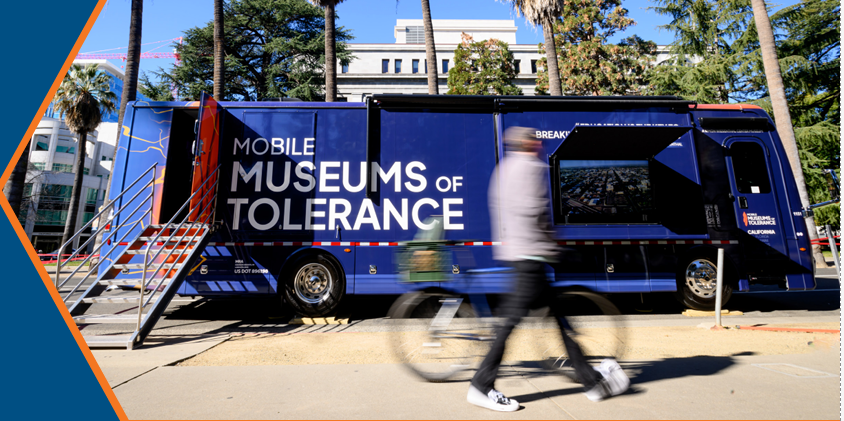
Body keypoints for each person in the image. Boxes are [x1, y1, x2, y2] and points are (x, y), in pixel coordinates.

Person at [466, 126, 629, 412]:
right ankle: (481, 385)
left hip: (519, 254)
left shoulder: (503, 169)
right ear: (528, 144)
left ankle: (591, 382)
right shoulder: (529, 167)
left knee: (558, 320)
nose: (540, 145)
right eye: (536, 140)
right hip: (531, 257)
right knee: (511, 324)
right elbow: (535, 212)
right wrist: (554, 248)